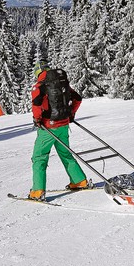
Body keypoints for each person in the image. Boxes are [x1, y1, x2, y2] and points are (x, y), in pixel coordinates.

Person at [29, 61, 89, 201]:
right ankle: (79, 181)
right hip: (63, 125)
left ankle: (38, 191)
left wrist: (37, 120)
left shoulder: (39, 87)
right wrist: (71, 114)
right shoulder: (61, 83)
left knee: (39, 157)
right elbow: (77, 99)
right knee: (65, 153)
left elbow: (36, 104)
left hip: (48, 127)